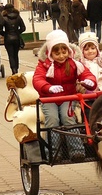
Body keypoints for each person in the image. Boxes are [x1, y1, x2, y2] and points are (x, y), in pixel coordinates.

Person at [33, 29, 97, 162]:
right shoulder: (44, 65)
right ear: (50, 52)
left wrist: (90, 81)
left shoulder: (74, 63)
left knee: (68, 118)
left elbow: (86, 74)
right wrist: (48, 88)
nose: (61, 56)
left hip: (68, 98)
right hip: (49, 98)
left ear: (68, 50)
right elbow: (37, 79)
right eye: (57, 53)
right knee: (52, 119)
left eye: (64, 52)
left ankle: (77, 151)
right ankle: (53, 153)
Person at [1, 4, 26, 74]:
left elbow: (0, 29)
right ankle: (17, 69)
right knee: (16, 54)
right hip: (17, 38)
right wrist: (17, 32)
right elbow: (23, 28)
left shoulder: (4, 18)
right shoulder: (18, 17)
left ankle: (13, 69)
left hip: (8, 39)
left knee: (11, 55)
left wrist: (5, 34)